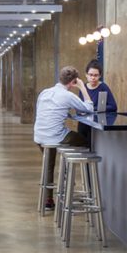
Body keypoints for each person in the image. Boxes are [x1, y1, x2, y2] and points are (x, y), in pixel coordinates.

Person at [33, 67, 95, 208]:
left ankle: (48, 200)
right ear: (73, 82)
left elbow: (45, 112)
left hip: (39, 136)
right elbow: (89, 108)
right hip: (56, 136)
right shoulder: (68, 96)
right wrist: (83, 87)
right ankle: (69, 184)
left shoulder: (45, 92)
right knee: (86, 143)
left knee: (49, 164)